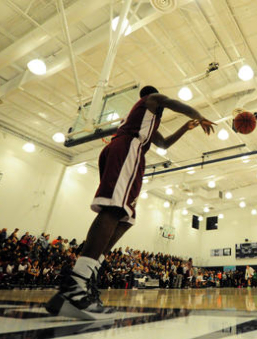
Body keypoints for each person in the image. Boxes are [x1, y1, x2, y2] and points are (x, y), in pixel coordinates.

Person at [46, 86, 214, 319]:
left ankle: (86, 279)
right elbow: (175, 103)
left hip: (129, 152)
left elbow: (164, 144)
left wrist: (186, 127)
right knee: (114, 210)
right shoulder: (151, 99)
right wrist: (199, 116)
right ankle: (75, 284)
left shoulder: (145, 122)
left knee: (125, 218)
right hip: (127, 149)